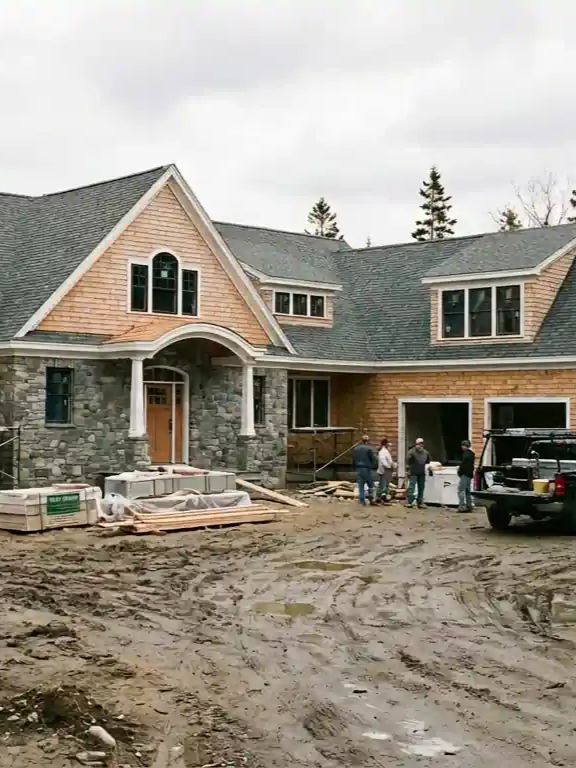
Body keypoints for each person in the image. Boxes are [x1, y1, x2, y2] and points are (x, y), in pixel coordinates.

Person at [406, 437, 432, 509]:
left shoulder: (426, 453)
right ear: (416, 444)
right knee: (412, 487)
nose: (420, 445)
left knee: (421, 487)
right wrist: (408, 471)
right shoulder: (411, 452)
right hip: (413, 472)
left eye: (421, 444)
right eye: (418, 444)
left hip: (421, 472)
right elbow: (408, 462)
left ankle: (420, 502)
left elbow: (428, 461)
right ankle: (409, 502)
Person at [352, 435, 376, 505]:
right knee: (371, 485)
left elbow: (353, 459)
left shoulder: (356, 449)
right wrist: (372, 466)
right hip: (366, 468)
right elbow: (372, 459)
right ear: (367, 441)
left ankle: (362, 501)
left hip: (358, 468)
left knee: (361, 486)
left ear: (361, 440)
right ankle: (372, 499)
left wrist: (354, 466)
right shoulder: (368, 449)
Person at [457, 439, 475, 513]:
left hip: (465, 474)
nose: (462, 447)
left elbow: (463, 465)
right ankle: (469, 505)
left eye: (462, 445)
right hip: (470, 474)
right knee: (468, 491)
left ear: (465, 446)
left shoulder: (465, 454)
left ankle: (461, 506)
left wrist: (459, 472)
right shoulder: (472, 454)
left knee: (460, 490)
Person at [377, 438, 394, 502]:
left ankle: (383, 497)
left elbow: (389, 460)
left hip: (387, 470)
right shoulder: (382, 452)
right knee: (382, 485)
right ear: (385, 444)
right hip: (384, 470)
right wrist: (388, 466)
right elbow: (383, 461)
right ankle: (378, 497)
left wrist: (392, 464)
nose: (389, 446)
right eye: (388, 444)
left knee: (386, 484)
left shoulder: (386, 451)